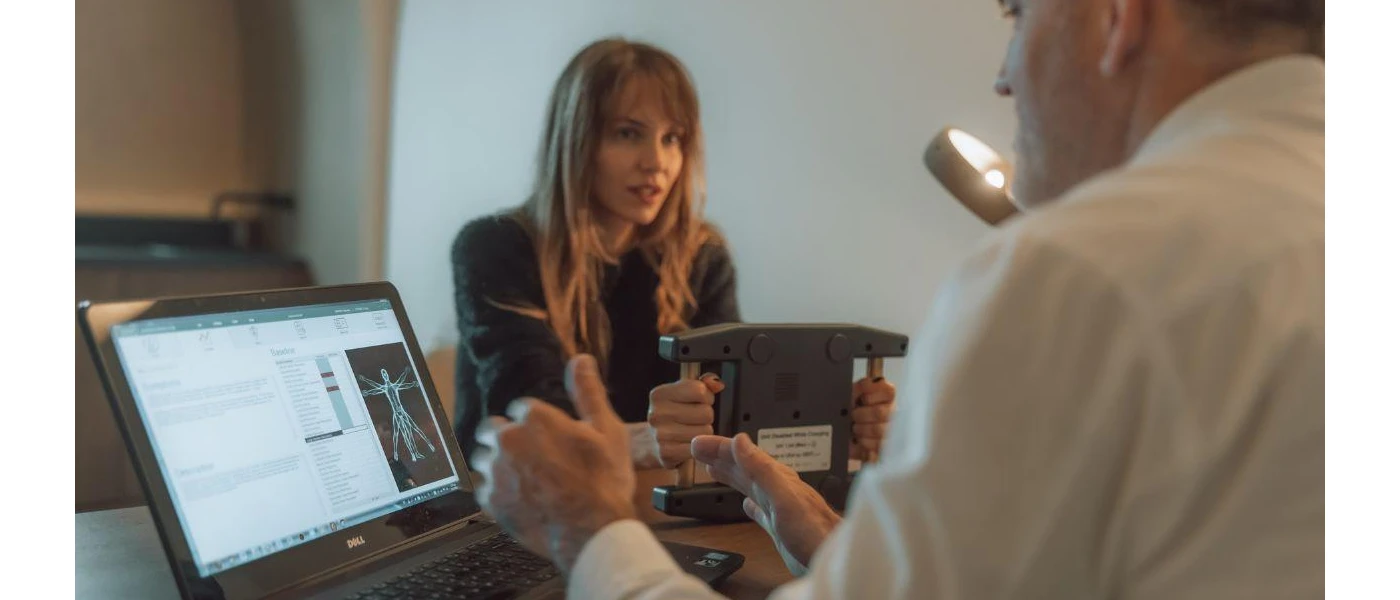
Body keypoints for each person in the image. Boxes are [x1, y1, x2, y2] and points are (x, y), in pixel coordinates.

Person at [472, 0, 1324, 598]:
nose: (1002, 76)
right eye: (628, 132)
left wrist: (591, 537)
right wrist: (844, 547)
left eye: (1014, 12)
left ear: (1119, 15)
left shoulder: (1077, 273)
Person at [451, 38, 898, 470]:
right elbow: (534, 422)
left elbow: (733, 409)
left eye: (673, 139)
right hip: (507, 509)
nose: (656, 162)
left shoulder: (701, 257)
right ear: (575, 140)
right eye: (629, 134)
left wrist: (837, 428)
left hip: (654, 502)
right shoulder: (494, 248)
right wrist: (648, 442)